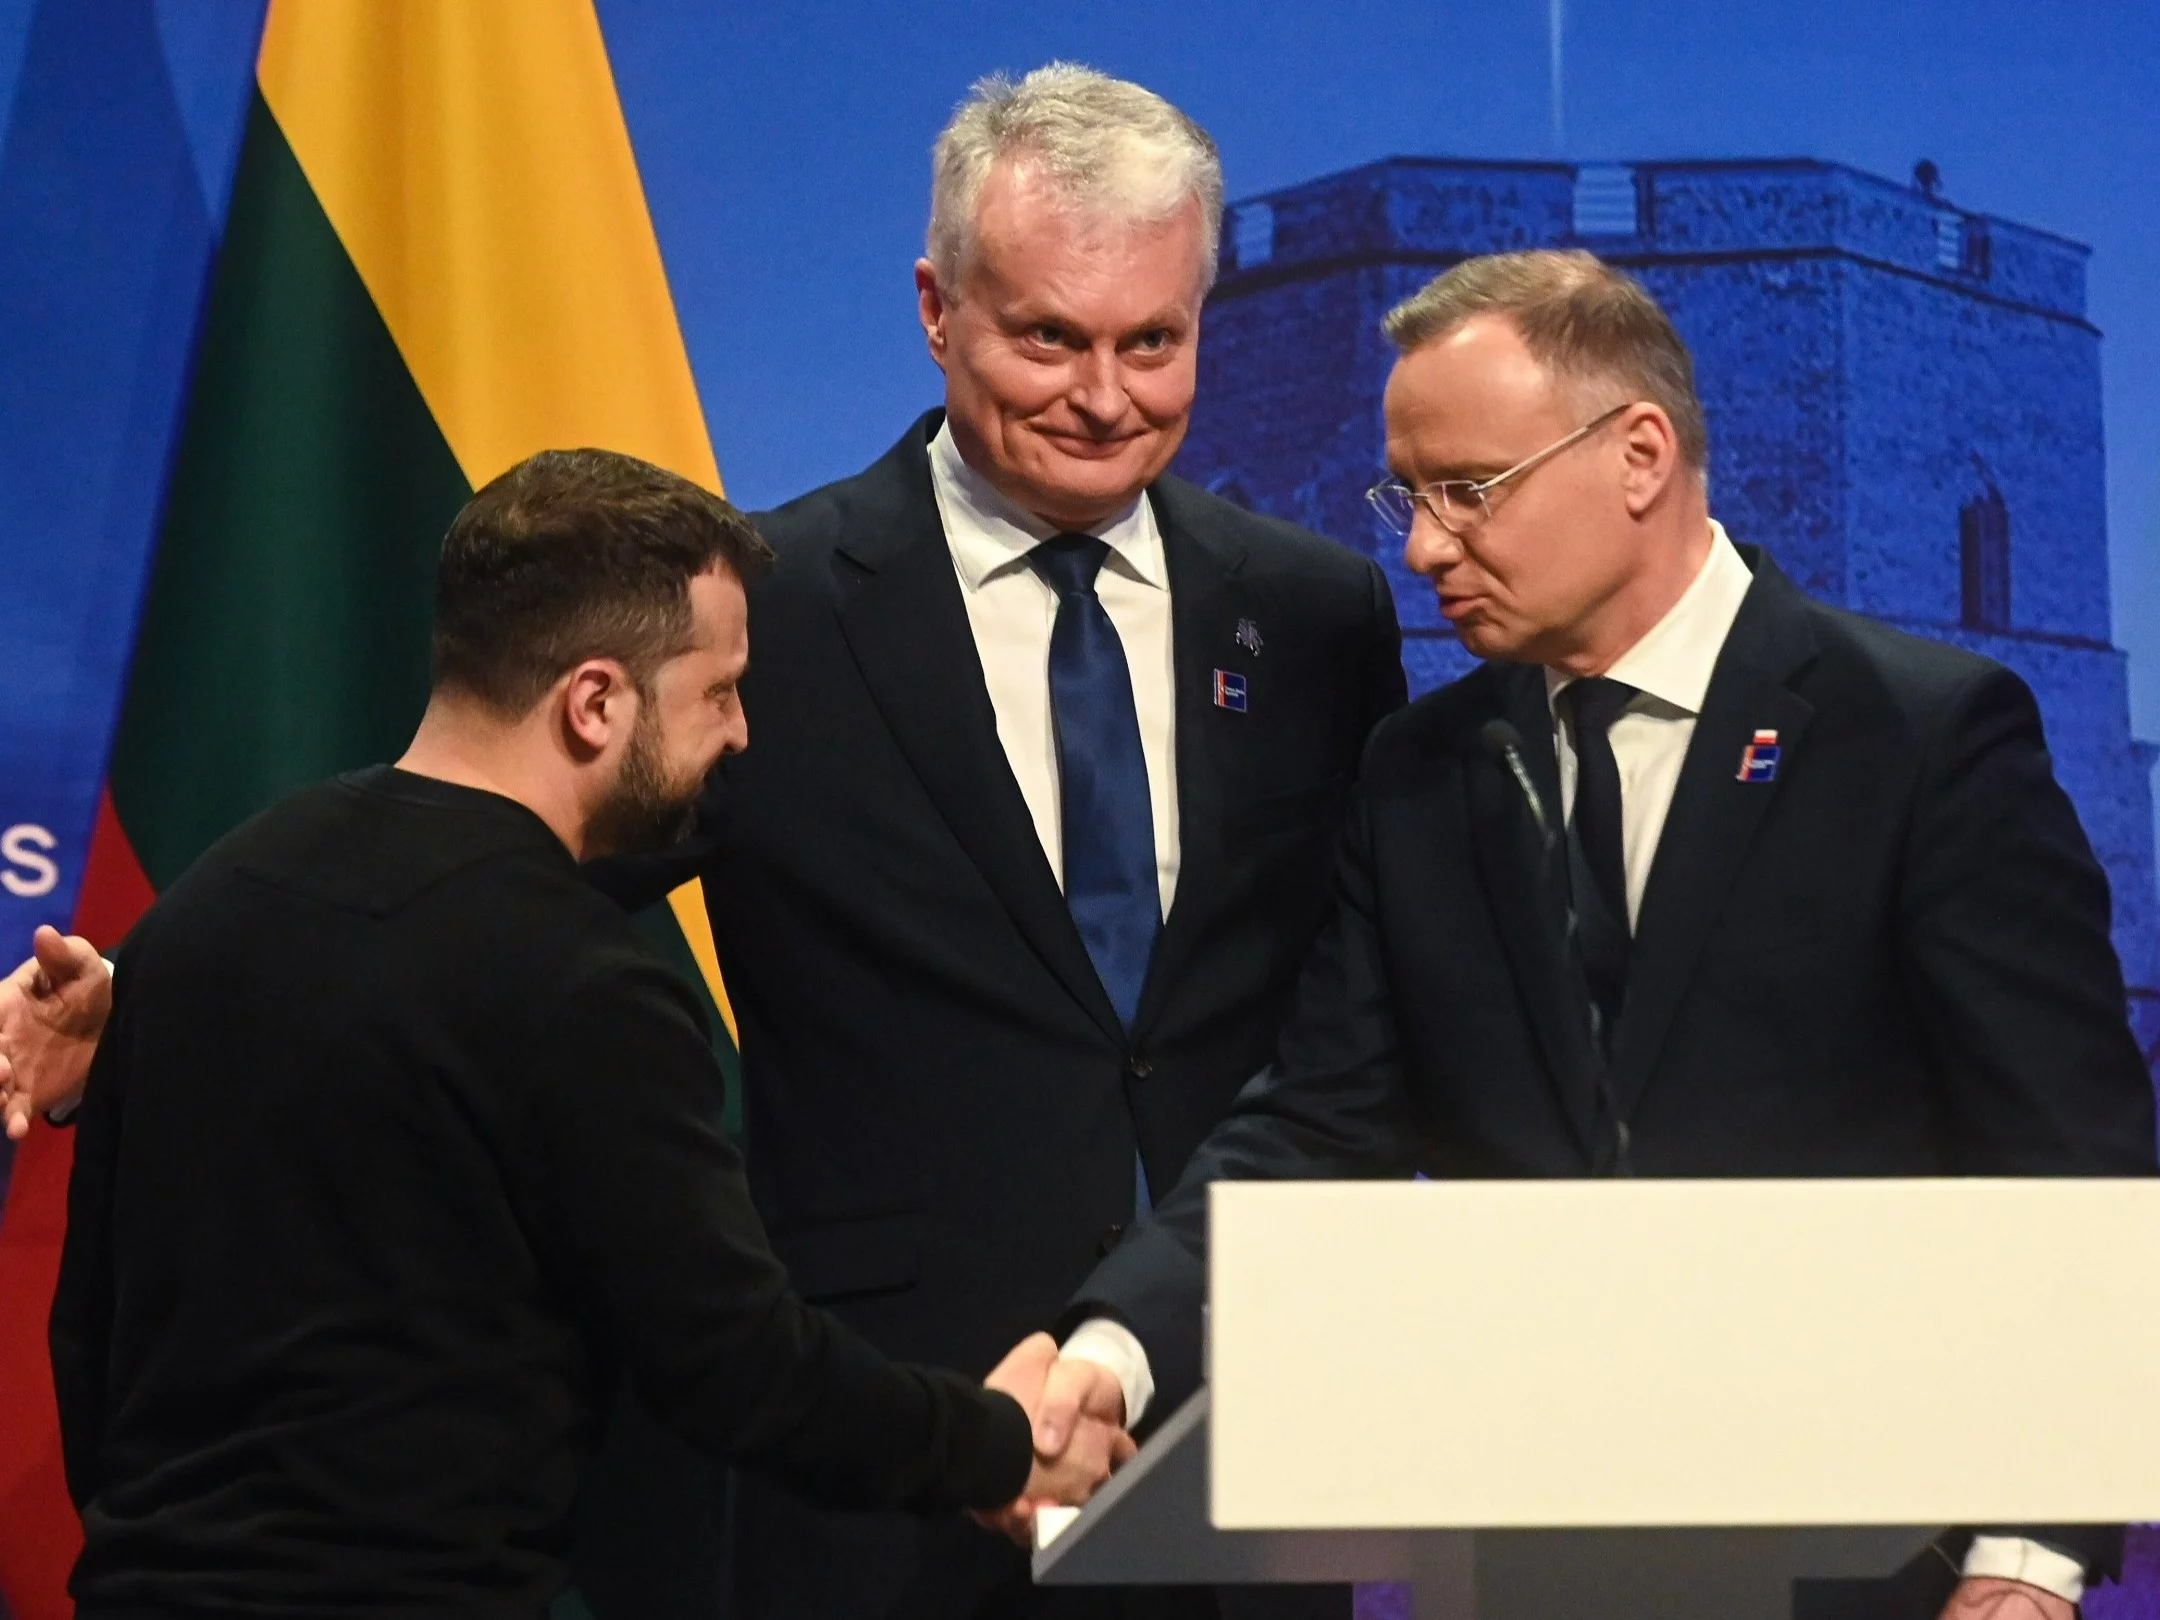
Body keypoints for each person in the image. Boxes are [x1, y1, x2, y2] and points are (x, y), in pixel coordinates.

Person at [7, 64, 1403, 1620]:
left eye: (1155, 341)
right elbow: (469, 895)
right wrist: (167, 1006)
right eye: (1048, 338)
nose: (1105, 394)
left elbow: (1353, 1003)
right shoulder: (760, 608)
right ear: (937, 310)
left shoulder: (1316, 615)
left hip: (1235, 1399)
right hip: (878, 1426)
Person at [1032, 250, 2160, 1620]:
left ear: (1638, 456)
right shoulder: (1418, 775)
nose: (1424, 547)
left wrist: (2032, 1551)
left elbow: (2071, 1169)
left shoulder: (1924, 737)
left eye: (1468, 492)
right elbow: (1317, 1127)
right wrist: (1115, 1345)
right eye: (1410, 496)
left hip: (1877, 1565)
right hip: (1533, 1552)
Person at [39, 450, 1127, 1620]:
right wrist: (1003, 1445)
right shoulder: (581, 984)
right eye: (719, 691)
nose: (744, 733)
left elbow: (86, 1327)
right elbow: (741, 1373)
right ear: (596, 703)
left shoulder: (207, 903)